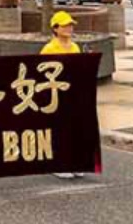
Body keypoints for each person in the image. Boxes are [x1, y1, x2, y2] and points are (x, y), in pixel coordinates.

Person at [42, 11, 84, 180]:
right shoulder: (49, 49)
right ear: (55, 28)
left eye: (70, 25)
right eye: (65, 25)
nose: (69, 28)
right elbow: (41, 71)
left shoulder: (75, 47)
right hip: (54, 94)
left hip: (72, 93)